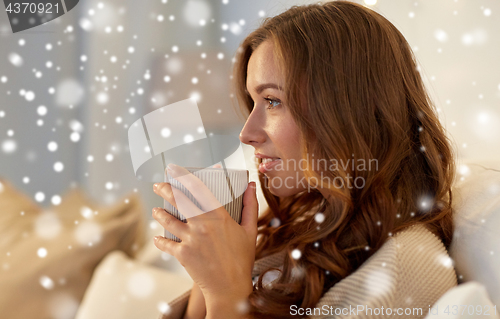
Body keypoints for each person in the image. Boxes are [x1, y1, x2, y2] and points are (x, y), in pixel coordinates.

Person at [152, 1, 458, 318]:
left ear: (345, 109)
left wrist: (227, 293)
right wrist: (209, 273)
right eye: (254, 101)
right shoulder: (308, 224)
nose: (246, 133)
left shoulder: (402, 272)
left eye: (272, 101)